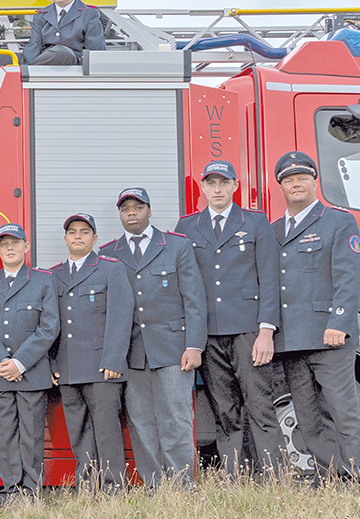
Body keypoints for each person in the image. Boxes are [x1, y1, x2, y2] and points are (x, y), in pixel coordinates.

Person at [269, 151, 360, 481]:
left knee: (344, 412)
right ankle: (327, 476)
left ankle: (359, 479)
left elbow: (351, 276)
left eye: (302, 178)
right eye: (288, 180)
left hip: (329, 338)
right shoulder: (273, 231)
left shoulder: (338, 222)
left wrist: (339, 323)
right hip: (290, 340)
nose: (296, 184)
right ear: (281, 187)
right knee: (308, 415)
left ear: (315, 182)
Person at [173, 160, 281, 475]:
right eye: (211, 183)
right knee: (224, 408)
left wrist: (266, 332)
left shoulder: (256, 222)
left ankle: (273, 477)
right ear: (203, 188)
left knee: (260, 405)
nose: (217, 189)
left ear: (235, 185)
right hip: (208, 333)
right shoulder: (187, 227)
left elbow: (270, 280)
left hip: (248, 330)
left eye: (224, 183)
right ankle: (236, 476)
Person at [97, 187, 207, 487]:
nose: (131, 213)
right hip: (132, 353)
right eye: (125, 209)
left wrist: (194, 345)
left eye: (137, 207)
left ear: (149, 211)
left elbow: (194, 299)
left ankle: (183, 485)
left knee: (176, 419)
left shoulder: (175, 246)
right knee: (142, 422)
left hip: (173, 349)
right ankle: (155, 485)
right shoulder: (108, 254)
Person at [0, 223, 59, 503]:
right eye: (4, 244)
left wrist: (19, 362)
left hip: (30, 372)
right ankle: (9, 491)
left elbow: (49, 327)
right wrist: (2, 361)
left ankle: (30, 492)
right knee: (5, 434)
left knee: (31, 434)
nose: (10, 248)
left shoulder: (43, 281)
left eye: (15, 243)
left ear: (26, 247)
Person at [47, 213, 134, 492]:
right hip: (68, 367)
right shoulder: (54, 275)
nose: (78, 237)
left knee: (107, 430)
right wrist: (52, 364)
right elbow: (49, 324)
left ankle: (113, 486)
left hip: (101, 367)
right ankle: (87, 485)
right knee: (79, 430)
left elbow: (121, 316)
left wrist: (113, 359)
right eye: (72, 232)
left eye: (84, 232)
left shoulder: (110, 269)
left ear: (94, 239)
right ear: (65, 239)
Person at [21, 0, 104, 66]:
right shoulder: (41, 16)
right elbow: (34, 45)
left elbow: (95, 50)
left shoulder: (89, 14)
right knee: (1, 58)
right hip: (46, 60)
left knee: (61, 53)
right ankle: (25, 72)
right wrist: (25, 67)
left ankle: (30, 72)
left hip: (74, 63)